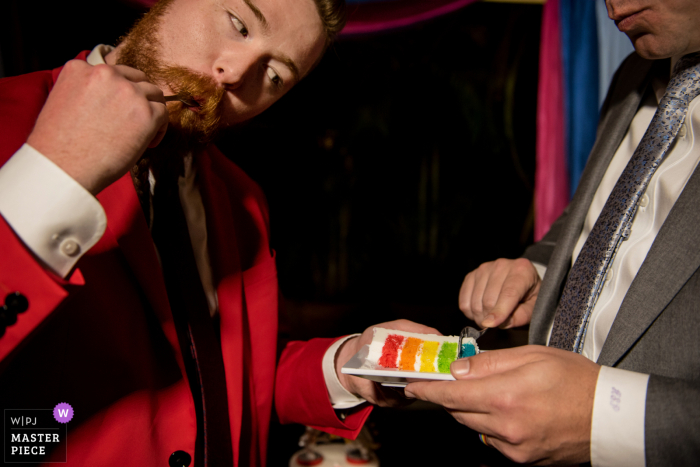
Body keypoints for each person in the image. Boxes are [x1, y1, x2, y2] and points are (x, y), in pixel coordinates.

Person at [0, 0, 431, 465]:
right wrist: (60, 169)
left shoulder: (240, 199)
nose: (233, 73)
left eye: (274, 77)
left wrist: (348, 367)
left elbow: (224, 374)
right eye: (238, 24)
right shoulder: (8, 118)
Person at [405, 1, 700, 466]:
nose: (611, 5)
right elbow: (606, 211)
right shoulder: (634, 73)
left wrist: (607, 419)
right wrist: (541, 269)